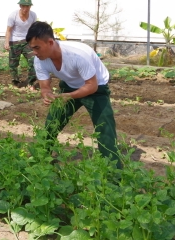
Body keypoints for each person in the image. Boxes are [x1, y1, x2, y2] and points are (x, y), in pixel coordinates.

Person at [26, 21, 121, 168]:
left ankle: (114, 171)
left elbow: (91, 86)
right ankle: (41, 160)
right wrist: (47, 94)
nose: (35, 52)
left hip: (96, 87)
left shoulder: (78, 55)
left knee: (104, 128)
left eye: (37, 48)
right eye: (32, 48)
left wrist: (69, 96)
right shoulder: (39, 59)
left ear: (50, 42)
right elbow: (44, 86)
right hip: (69, 86)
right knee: (53, 121)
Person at [4, 0, 37, 89]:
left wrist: (34, 42)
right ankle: (16, 82)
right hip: (14, 41)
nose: (25, 9)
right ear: (20, 6)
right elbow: (9, 30)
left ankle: (31, 82)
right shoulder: (13, 15)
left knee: (33, 60)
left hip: (27, 41)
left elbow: (33, 29)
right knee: (13, 64)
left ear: (30, 7)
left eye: (27, 6)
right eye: (23, 6)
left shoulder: (33, 15)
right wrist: (6, 42)